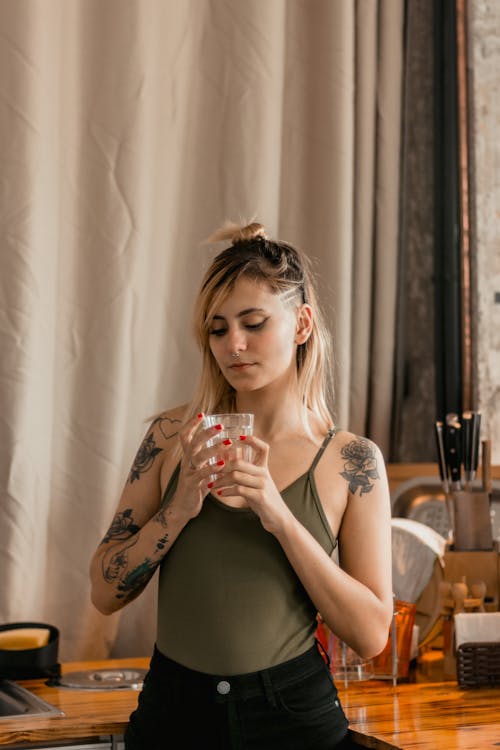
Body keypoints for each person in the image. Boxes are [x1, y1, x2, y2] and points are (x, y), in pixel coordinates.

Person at [89, 221, 393, 749]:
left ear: (301, 324)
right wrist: (178, 510)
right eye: (217, 328)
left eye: (253, 323)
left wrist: (278, 515)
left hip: (292, 715)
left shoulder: (351, 461)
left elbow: (370, 636)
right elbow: (103, 592)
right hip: (174, 714)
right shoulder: (170, 438)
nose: (234, 344)